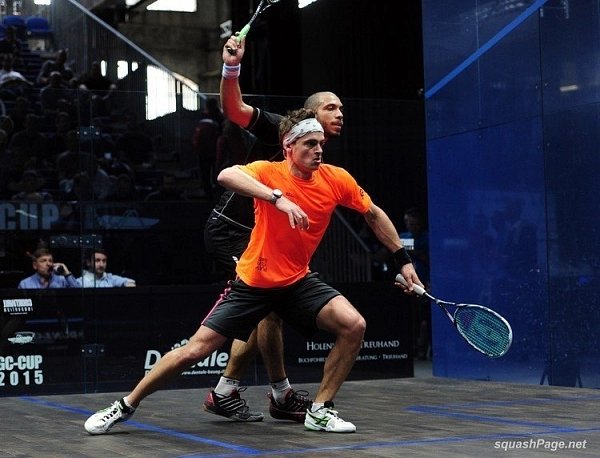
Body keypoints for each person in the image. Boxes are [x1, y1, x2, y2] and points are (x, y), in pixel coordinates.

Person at [83, 108, 422, 435]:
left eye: (321, 143)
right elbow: (225, 176)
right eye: (310, 144)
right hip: (254, 282)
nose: (319, 150)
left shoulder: (336, 179)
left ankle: (320, 410)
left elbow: (373, 213)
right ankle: (125, 405)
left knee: (354, 325)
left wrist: (402, 260)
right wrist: (277, 198)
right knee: (195, 350)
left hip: (297, 281)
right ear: (288, 147)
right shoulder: (268, 172)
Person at [201, 36, 345, 424]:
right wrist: (232, 66)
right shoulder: (283, 128)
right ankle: (261, 393)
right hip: (233, 230)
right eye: (330, 107)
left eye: (341, 108)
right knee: (266, 305)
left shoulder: (316, 155)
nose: (339, 113)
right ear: (310, 113)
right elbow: (234, 109)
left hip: (262, 238)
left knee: (271, 308)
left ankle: (236, 392)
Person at [399, 207, 431, 360]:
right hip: (406, 284)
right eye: (410, 224)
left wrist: (415, 252)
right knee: (411, 318)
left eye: (416, 224)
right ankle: (412, 348)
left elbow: (430, 260)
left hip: (425, 284)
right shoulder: (402, 237)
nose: (413, 227)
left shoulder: (428, 238)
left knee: (424, 320)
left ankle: (423, 349)